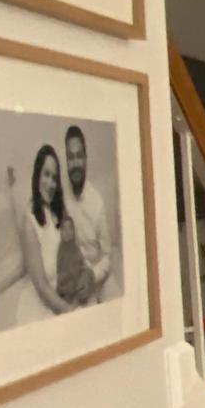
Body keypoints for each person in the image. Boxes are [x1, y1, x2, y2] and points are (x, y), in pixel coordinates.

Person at [7, 144, 72, 323]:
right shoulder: (30, 224)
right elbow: (43, 289)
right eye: (46, 174)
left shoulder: (60, 215)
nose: (50, 183)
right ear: (37, 176)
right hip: (39, 308)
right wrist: (71, 312)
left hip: (61, 296)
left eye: (54, 178)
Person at [62, 124, 114, 300]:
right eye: (70, 157)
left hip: (95, 278)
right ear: (66, 161)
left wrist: (93, 275)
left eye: (78, 156)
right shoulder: (60, 198)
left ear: (85, 159)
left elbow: (107, 255)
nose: (75, 163)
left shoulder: (97, 203)